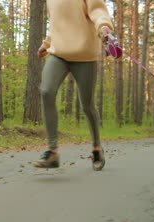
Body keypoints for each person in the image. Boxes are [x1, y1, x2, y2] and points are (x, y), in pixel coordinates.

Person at [33, 0, 115, 171]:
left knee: (87, 105)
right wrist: (46, 44)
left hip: (85, 55)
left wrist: (104, 27)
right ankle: (52, 151)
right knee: (46, 91)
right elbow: (56, 23)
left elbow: (98, 11)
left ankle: (97, 147)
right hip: (59, 53)